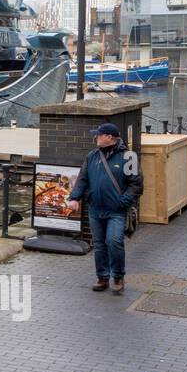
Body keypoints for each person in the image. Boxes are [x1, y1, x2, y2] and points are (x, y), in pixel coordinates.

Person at [66, 122, 143, 295]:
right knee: (99, 245)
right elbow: (82, 179)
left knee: (114, 242)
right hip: (95, 209)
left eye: (99, 135)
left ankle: (117, 276)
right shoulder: (92, 156)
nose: (96, 137)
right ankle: (102, 277)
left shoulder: (129, 157)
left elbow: (136, 185)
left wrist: (123, 201)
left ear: (109, 137)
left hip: (116, 210)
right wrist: (74, 197)